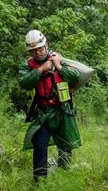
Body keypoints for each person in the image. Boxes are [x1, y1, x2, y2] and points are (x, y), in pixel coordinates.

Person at [18, 30, 81, 181]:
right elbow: (24, 82)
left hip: (62, 111)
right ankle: (40, 180)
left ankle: (65, 175)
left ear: (46, 45)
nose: (38, 53)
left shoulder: (58, 58)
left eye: (40, 48)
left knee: (65, 145)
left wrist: (58, 66)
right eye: (33, 50)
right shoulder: (27, 65)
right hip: (43, 112)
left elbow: (75, 77)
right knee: (39, 143)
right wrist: (41, 69)